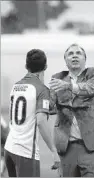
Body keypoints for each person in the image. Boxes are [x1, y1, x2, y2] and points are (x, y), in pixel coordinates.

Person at [49, 43, 94, 177]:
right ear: (65, 61)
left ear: (85, 59)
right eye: (70, 54)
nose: (74, 56)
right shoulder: (57, 78)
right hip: (66, 146)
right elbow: (50, 106)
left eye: (78, 53)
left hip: (93, 145)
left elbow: (91, 88)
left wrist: (68, 86)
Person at [4, 49, 60, 177]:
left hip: (9, 148)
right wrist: (54, 150)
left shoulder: (15, 86)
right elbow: (40, 121)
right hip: (26, 152)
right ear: (45, 67)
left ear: (26, 66)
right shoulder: (41, 89)